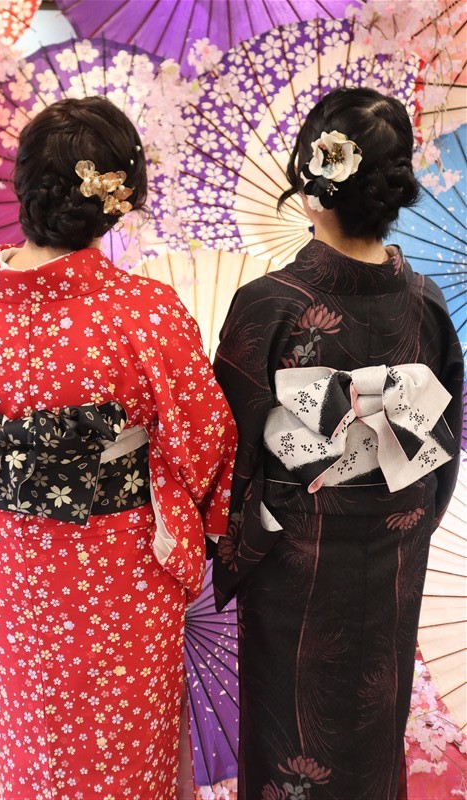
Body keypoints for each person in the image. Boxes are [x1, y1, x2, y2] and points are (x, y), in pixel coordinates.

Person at [0, 96, 237, 800]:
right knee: (123, 744)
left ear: (24, 188)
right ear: (115, 200)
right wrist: (186, 508)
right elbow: (203, 442)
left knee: (37, 735)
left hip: (17, 563)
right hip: (119, 568)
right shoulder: (144, 313)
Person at [211, 87, 463, 800]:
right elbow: (440, 449)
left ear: (311, 182)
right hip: (395, 541)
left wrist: (237, 543)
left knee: (292, 729)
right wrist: (405, 517)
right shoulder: (426, 302)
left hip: (295, 553)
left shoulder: (270, 304)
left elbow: (229, 454)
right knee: (372, 714)